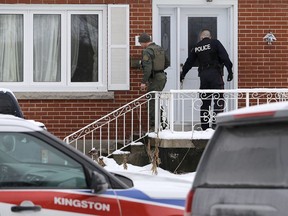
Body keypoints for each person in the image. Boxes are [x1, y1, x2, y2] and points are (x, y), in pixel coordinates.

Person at [180, 29, 233, 130]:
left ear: (201, 37)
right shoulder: (215, 43)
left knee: (205, 101)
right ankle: (216, 125)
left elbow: (189, 62)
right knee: (218, 100)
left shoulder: (197, 46)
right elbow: (225, 57)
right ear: (210, 36)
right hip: (215, 74)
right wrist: (230, 71)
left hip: (203, 76)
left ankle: (204, 127)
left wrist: (183, 74)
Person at [138, 32, 170, 130]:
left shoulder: (147, 51)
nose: (141, 46)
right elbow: (167, 62)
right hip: (162, 77)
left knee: (152, 101)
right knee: (157, 100)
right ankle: (163, 123)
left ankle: (155, 125)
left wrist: (143, 82)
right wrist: (159, 70)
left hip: (155, 78)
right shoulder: (160, 48)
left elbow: (147, 68)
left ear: (143, 42)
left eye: (140, 43)